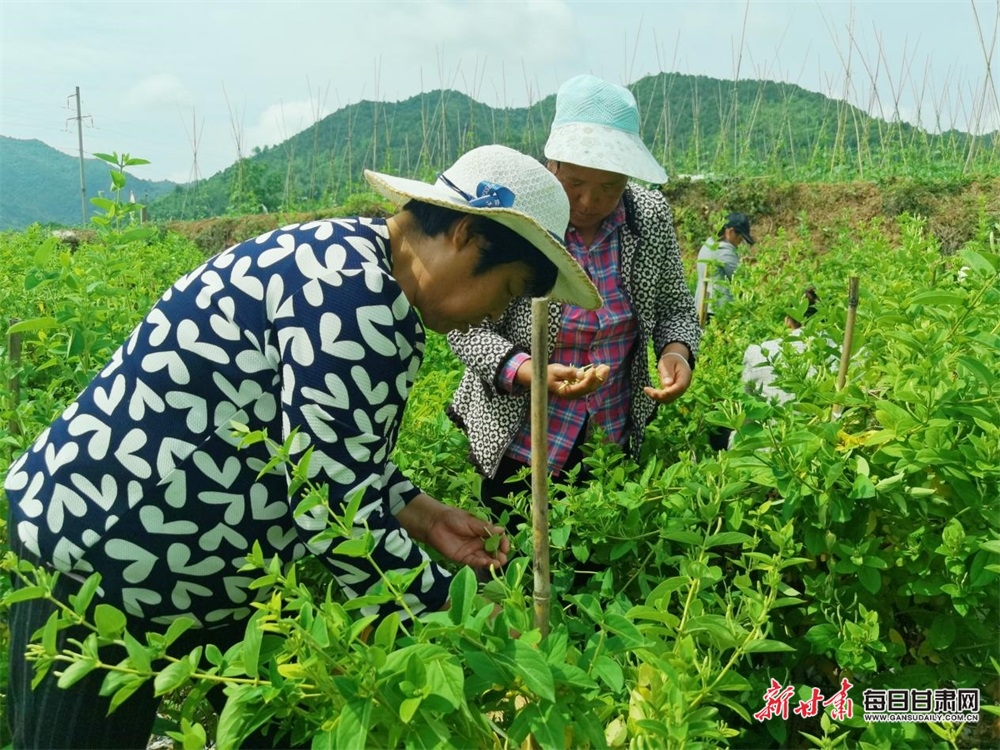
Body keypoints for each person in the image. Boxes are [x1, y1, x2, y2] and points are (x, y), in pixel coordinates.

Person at [2, 144, 600, 748]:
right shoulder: (351, 296)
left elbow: (324, 448)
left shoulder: (357, 265)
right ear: (468, 235)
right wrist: (464, 622)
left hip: (199, 568)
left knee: (275, 722)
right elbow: (329, 502)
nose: (496, 314)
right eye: (508, 290)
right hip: (101, 555)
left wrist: (424, 515)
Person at [447, 74, 701, 535]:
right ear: (553, 164)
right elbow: (462, 323)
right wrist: (527, 371)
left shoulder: (649, 217)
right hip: (518, 435)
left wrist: (676, 353)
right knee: (510, 556)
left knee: (592, 552)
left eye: (609, 187)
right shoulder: (520, 215)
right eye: (576, 182)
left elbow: (675, 308)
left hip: (608, 434)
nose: (589, 201)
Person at [741, 287, 822, 405]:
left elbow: (747, 396)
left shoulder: (758, 351)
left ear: (787, 321)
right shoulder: (841, 353)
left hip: (768, 420)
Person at [694, 211, 756, 324]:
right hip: (718, 310)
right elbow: (741, 279)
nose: (739, 243)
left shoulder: (708, 244)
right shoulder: (724, 251)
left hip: (702, 306)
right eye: (740, 239)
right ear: (731, 232)